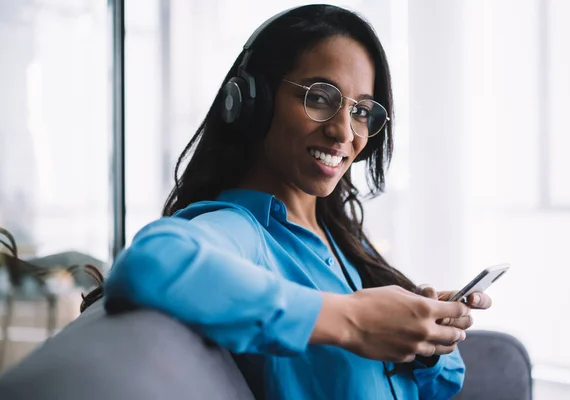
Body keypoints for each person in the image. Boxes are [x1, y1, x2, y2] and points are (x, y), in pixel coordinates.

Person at [102, 5, 492, 400]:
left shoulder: (340, 238)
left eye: (360, 111)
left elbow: (446, 382)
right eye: (320, 97)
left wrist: (423, 333)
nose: (344, 132)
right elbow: (148, 264)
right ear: (254, 102)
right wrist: (354, 320)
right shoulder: (242, 230)